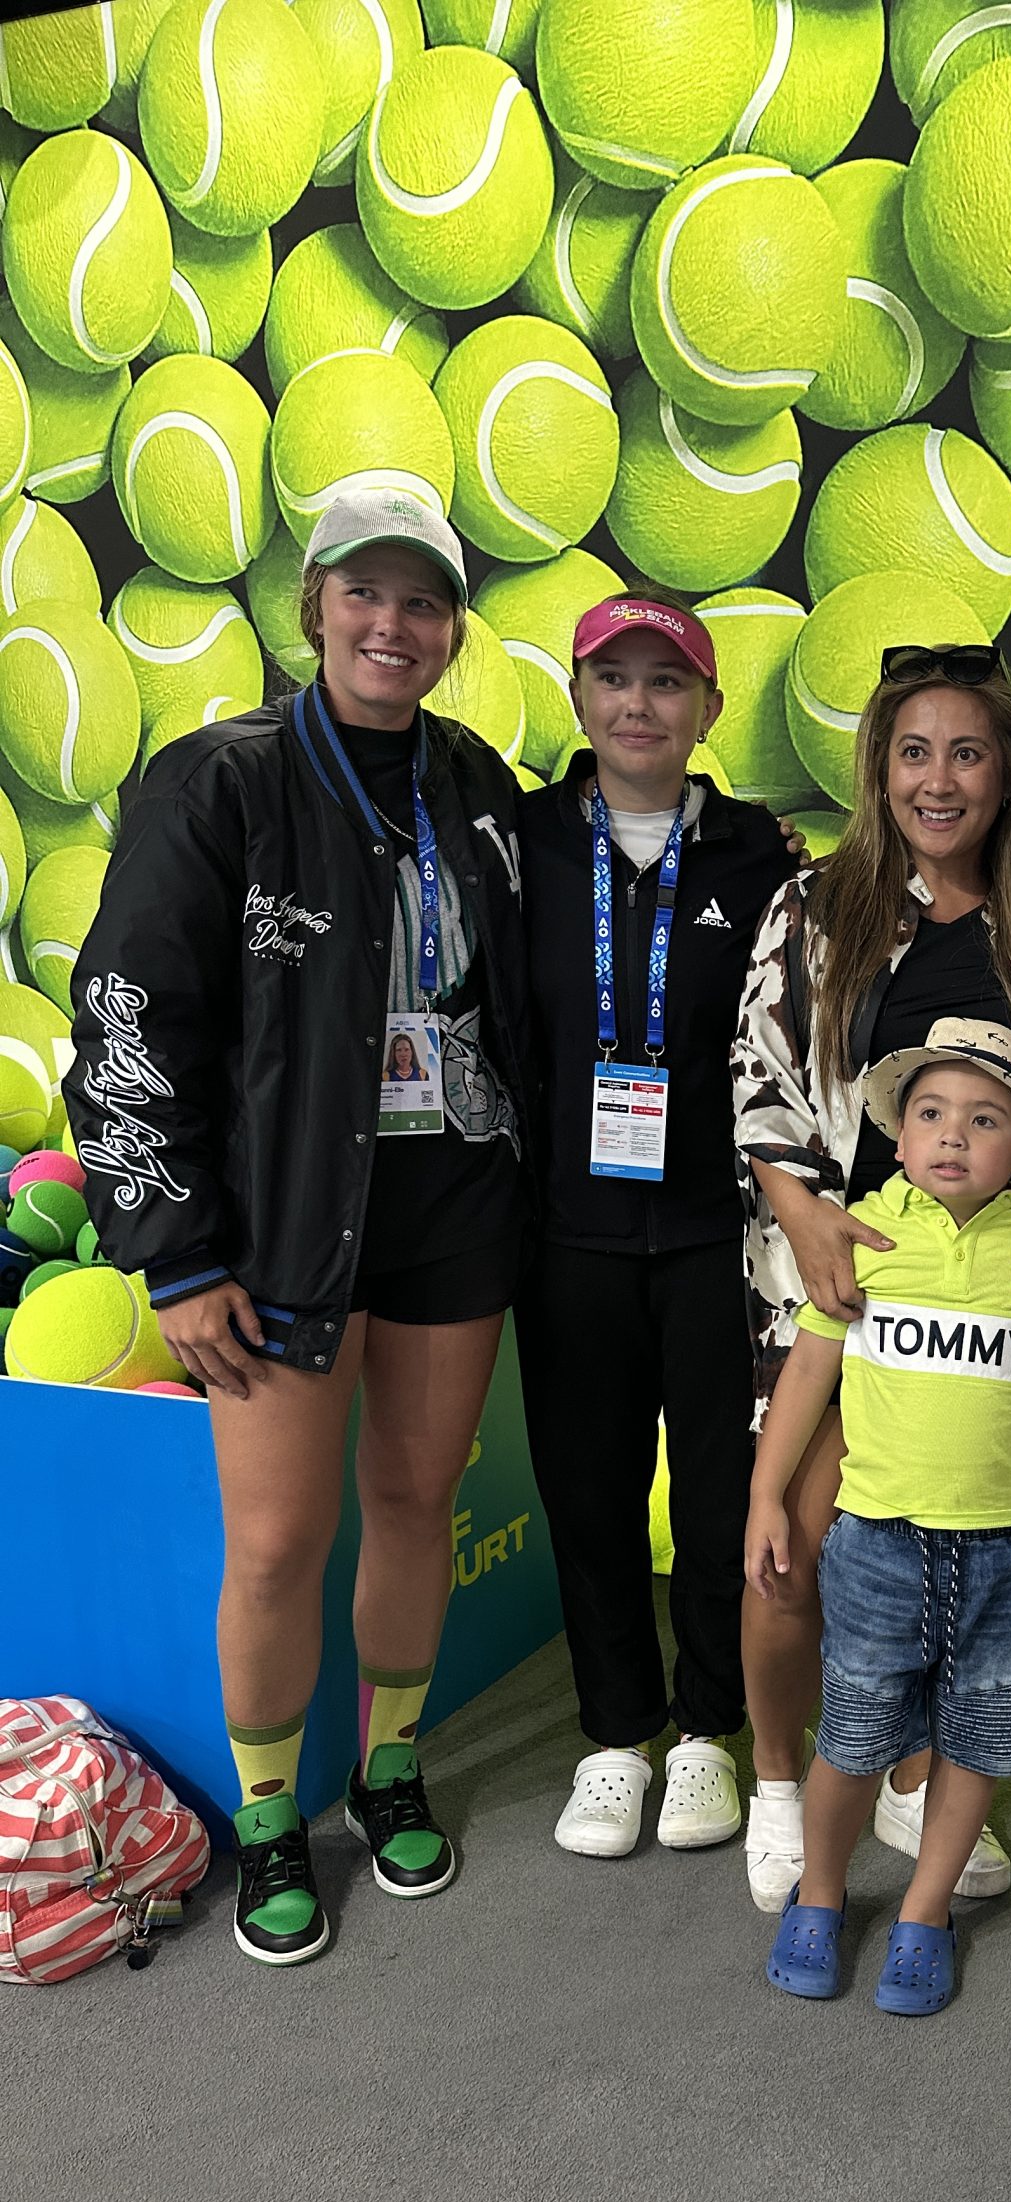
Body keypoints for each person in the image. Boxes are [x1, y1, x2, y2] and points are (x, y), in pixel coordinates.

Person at [66, 488, 535, 1967]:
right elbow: (129, 1018)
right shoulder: (219, 780)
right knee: (278, 1542)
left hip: (448, 1203)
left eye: (422, 601)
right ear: (316, 607)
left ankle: (385, 1768)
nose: (392, 624)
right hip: (276, 1229)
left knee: (416, 1501)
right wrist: (175, 1249)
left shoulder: (474, 786)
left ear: (451, 629)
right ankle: (272, 1815)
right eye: (365, 595)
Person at [733, 650, 1011, 1913]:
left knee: (943, 1538)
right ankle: (780, 1782)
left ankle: (910, 1773)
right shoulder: (814, 906)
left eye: (968, 751)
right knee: (801, 1531)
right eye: (915, 752)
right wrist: (808, 1224)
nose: (939, 778)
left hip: (980, 1286)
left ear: (1007, 771)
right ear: (880, 769)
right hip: (839, 1272)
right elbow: (758, 1087)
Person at [746, 1021, 1011, 2013]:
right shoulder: (864, 1234)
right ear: (899, 1138)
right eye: (932, 1114)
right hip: (877, 1547)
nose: (954, 1135)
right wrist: (766, 1497)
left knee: (976, 1743)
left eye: (985, 1119)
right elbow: (809, 1375)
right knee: (853, 1741)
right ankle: (821, 1895)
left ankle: (922, 1910)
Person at [518, 595, 797, 1859]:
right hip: (565, 1234)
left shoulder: (758, 855)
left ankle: (703, 1733)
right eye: (613, 679)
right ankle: (615, 1736)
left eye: (666, 683)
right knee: (589, 1492)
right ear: (578, 698)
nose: (639, 704)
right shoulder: (518, 846)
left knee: (722, 1491)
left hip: (713, 1239)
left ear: (708, 710)